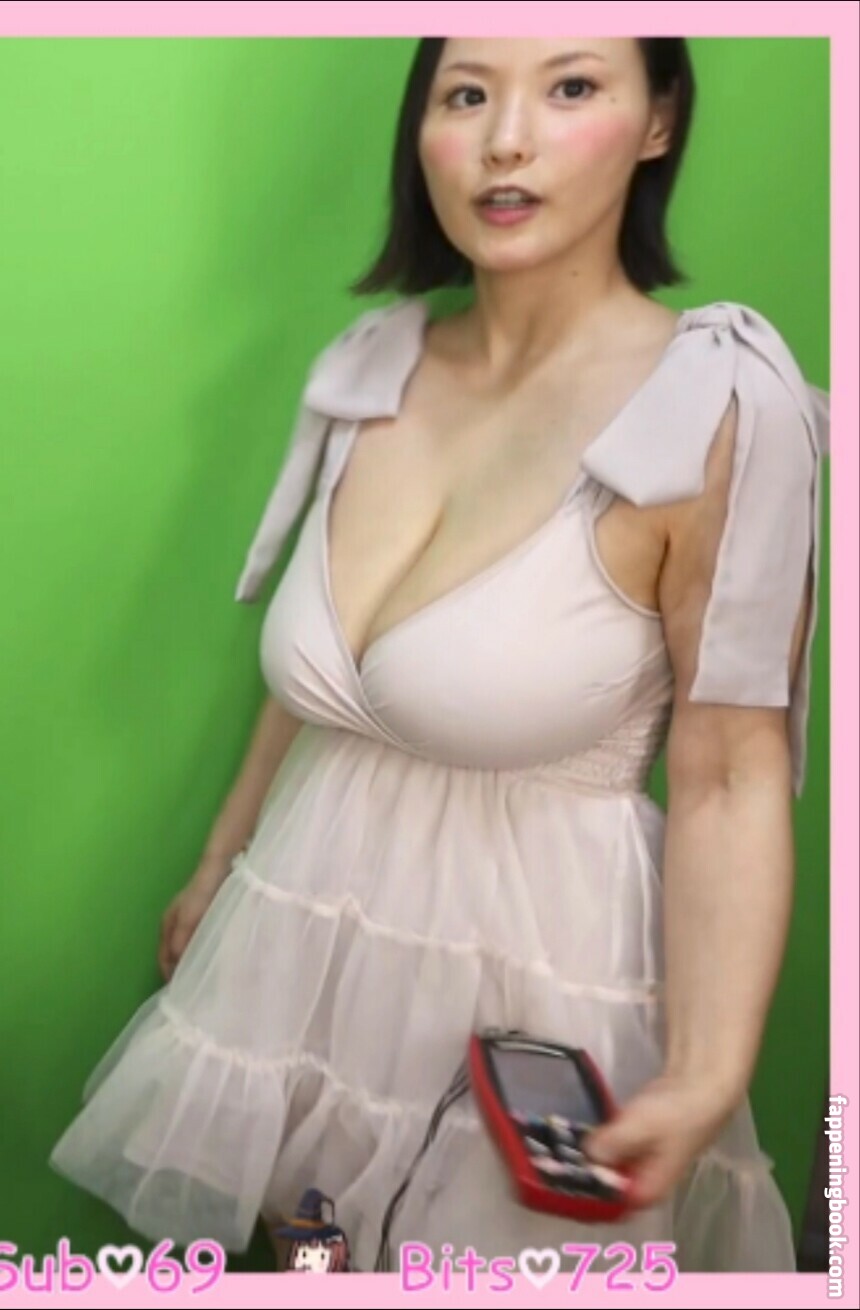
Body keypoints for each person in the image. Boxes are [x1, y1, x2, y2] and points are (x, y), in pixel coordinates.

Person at [48, 37, 829, 1274]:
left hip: (535, 996)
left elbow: (731, 771)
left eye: (569, 87)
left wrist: (704, 1068)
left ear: (657, 121)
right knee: (301, 1258)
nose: (503, 139)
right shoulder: (375, 365)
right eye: (466, 93)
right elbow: (322, 692)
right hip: (297, 959)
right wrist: (217, 863)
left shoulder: (716, 407)